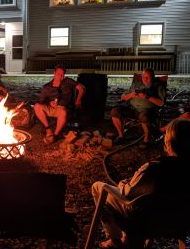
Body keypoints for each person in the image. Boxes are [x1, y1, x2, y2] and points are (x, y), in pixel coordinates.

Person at [91, 118, 190, 248]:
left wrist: (122, 185)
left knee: (98, 187)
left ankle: (115, 240)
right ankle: (129, 240)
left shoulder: (154, 167)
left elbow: (128, 193)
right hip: (181, 223)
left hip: (146, 222)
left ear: (169, 142)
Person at [110, 68, 165, 147]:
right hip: (133, 110)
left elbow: (161, 103)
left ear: (153, 77)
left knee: (143, 116)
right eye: (143, 77)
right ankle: (121, 136)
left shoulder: (158, 86)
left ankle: (146, 139)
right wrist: (131, 95)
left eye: (147, 77)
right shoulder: (136, 85)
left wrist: (147, 97)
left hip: (148, 111)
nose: (145, 79)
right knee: (115, 111)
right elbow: (122, 97)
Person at [34, 64, 85, 145]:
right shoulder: (47, 87)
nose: (60, 77)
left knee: (63, 112)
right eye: (58, 74)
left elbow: (82, 88)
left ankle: (55, 135)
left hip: (63, 108)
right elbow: (41, 101)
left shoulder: (68, 81)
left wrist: (78, 100)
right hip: (51, 108)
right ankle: (48, 129)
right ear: (54, 73)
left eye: (62, 75)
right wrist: (49, 103)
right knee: (37, 106)